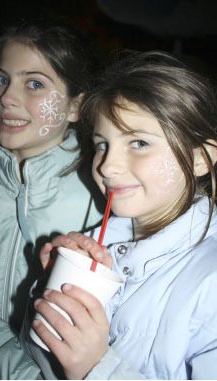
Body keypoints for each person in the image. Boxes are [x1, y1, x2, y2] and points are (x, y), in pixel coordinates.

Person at [30, 51, 217, 379]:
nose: (107, 166)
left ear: (201, 158)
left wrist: (96, 369)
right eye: (102, 144)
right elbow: (40, 361)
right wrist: (49, 293)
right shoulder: (95, 245)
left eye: (139, 143)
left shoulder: (210, 283)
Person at [0, 22, 105, 379]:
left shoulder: (104, 205)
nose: (7, 97)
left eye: (35, 84)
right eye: (0, 79)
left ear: (76, 106)